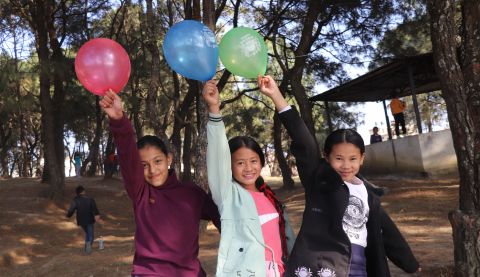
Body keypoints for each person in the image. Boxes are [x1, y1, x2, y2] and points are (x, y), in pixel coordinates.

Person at [258, 75, 420, 277]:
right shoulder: (319, 180)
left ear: (362, 158)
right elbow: (304, 142)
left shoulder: (369, 194)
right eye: (339, 158)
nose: (346, 165)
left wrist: (410, 263)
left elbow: (387, 231)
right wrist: (276, 96)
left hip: (359, 268)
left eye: (353, 159)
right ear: (326, 158)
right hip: (322, 267)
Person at [99, 90, 220, 277]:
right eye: (144, 165)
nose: (153, 170)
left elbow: (223, 217)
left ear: (169, 159)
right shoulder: (141, 193)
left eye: (157, 161)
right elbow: (128, 155)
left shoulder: (192, 193)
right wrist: (118, 120)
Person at [202, 80, 295, 277]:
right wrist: (214, 109)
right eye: (240, 162)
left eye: (253, 161)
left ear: (261, 163)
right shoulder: (227, 195)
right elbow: (218, 155)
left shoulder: (269, 197)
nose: (248, 168)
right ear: (229, 166)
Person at [66, 185, 100, 254]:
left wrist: (68, 215)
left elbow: (71, 210)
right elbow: (95, 209)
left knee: (87, 233)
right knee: (90, 235)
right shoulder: (90, 199)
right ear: (83, 191)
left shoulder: (75, 200)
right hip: (89, 219)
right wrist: (97, 215)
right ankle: (87, 250)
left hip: (81, 220)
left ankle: (87, 248)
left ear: (77, 193)